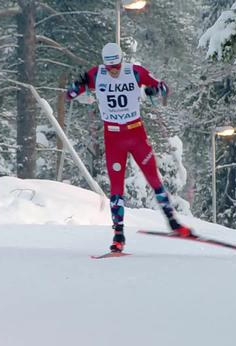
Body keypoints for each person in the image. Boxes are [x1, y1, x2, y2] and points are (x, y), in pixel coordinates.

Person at [66, 43, 192, 253]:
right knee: (116, 188)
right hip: (113, 137)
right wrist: (76, 86)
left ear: (121, 61)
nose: (113, 71)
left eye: (116, 65)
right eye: (109, 67)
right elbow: (70, 95)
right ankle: (118, 235)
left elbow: (163, 88)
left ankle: (174, 223)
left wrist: (154, 89)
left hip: (136, 135)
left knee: (154, 178)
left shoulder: (133, 71)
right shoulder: (96, 74)